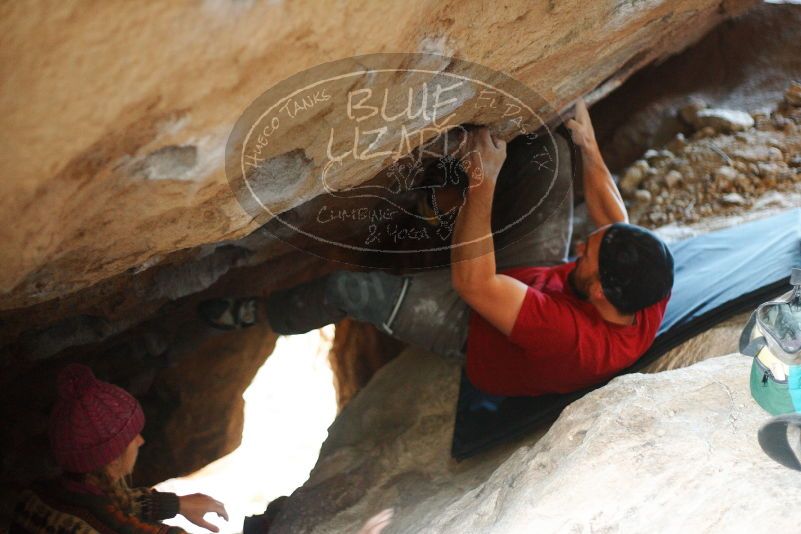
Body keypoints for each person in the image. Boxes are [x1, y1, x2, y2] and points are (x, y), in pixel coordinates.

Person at [199, 98, 674, 398]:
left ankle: (262, 314)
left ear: (598, 293)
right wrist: (587, 145)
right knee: (550, 155)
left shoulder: (573, 340)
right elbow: (616, 221)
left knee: (350, 289)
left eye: (587, 254)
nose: (582, 240)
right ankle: (445, 207)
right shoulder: (646, 287)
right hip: (534, 278)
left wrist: (481, 178)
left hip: (476, 325)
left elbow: (475, 285)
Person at [10, 363, 228, 534]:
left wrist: (176, 504)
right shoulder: (96, 527)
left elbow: (111, 503)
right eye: (132, 437)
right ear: (112, 458)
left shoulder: (35, 497)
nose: (141, 441)